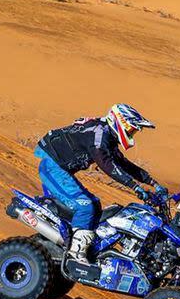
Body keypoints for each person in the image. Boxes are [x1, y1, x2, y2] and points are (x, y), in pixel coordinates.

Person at [34, 103, 167, 263]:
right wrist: (134, 186)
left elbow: (123, 164)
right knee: (85, 206)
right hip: (52, 166)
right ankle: (75, 254)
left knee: (95, 205)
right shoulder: (99, 133)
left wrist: (152, 182)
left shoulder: (106, 134)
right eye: (132, 129)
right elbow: (106, 164)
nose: (132, 134)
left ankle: (83, 246)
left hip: (59, 169)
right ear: (121, 122)